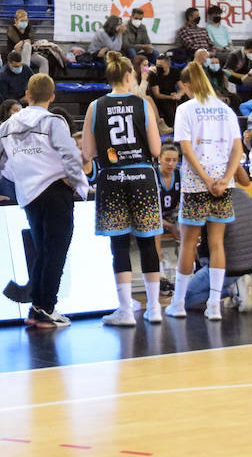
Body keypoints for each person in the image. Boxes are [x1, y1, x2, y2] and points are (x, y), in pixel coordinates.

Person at [0, 74, 89, 328]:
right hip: (55, 191)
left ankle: (38, 307)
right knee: (55, 253)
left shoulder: (7, 125)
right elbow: (70, 155)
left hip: (27, 194)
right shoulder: (53, 121)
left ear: (27, 94)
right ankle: (46, 307)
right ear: (52, 96)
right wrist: (77, 184)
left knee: (42, 253)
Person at [81, 53, 164, 327]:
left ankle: (126, 310)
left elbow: (88, 152)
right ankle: (154, 308)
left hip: (111, 178)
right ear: (129, 77)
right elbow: (155, 150)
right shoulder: (142, 104)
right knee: (147, 243)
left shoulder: (95, 106)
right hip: (142, 176)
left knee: (119, 245)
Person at [162, 60, 244, 322]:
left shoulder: (186, 109)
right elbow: (238, 150)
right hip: (223, 183)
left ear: (186, 85)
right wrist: (223, 179)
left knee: (188, 243)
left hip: (197, 184)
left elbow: (186, 149)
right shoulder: (225, 109)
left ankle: (178, 303)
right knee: (217, 243)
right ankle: (214, 305)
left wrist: (207, 179)